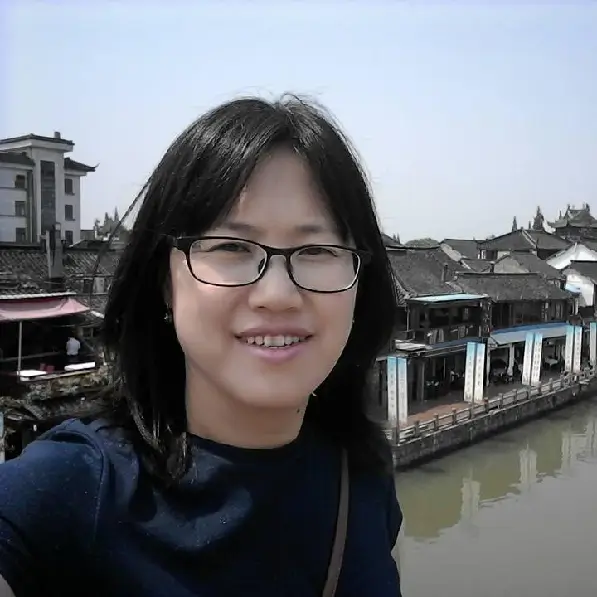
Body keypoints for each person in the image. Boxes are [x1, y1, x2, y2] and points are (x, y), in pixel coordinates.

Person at [0, 95, 402, 596]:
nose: (277, 294)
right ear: (164, 281)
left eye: (318, 250)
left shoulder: (364, 475)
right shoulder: (69, 491)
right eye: (231, 246)